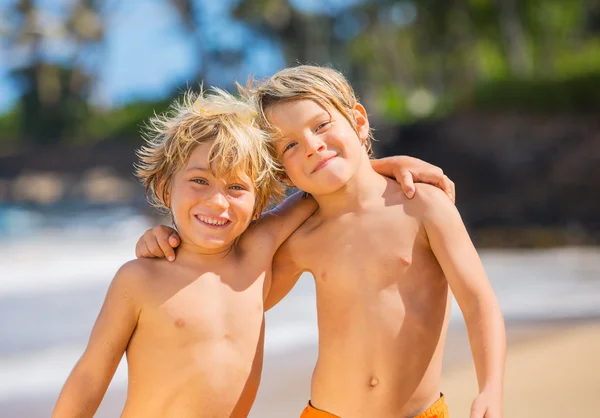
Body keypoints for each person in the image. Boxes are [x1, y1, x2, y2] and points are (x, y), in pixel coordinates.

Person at [52, 86, 452, 418]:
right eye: (199, 181)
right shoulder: (140, 278)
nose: (218, 203)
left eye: (237, 188)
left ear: (260, 203)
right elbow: (91, 375)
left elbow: (325, 185)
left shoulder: (259, 252)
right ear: (165, 188)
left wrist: (382, 164)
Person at [138, 66, 506, 418]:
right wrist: (170, 241)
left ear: (358, 122)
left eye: (322, 125)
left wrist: (490, 387)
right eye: (290, 146)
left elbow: (478, 301)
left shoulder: (422, 206)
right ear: (283, 171)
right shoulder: (302, 236)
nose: (312, 146)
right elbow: (228, 300)